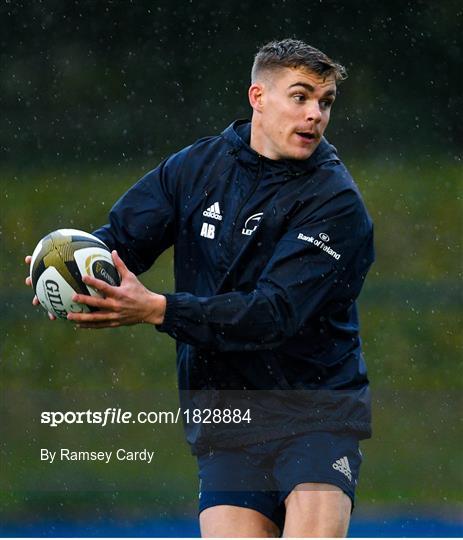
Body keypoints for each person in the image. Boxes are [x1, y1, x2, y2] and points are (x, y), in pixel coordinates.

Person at [26, 39, 374, 537]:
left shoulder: (336, 204)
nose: (315, 114)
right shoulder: (196, 169)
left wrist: (158, 309)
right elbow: (120, 241)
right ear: (257, 96)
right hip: (225, 413)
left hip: (314, 411)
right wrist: (66, 270)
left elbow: (272, 314)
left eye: (325, 102)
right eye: (300, 97)